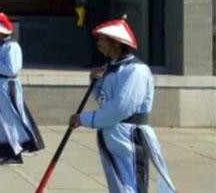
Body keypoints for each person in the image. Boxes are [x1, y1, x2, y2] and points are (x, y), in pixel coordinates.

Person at [70, 17, 175, 192]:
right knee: (118, 185)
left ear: (116, 43)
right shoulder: (110, 68)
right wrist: (95, 81)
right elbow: (104, 99)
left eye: (102, 39)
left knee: (131, 183)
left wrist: (84, 119)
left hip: (129, 136)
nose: (98, 43)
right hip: (112, 133)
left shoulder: (136, 70)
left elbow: (121, 107)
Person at [0, 12, 44, 165]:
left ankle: (16, 152)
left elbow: (11, 70)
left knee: (11, 118)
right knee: (2, 118)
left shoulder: (12, 47)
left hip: (7, 86)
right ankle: (4, 148)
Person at [82, 0, 111, 67]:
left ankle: (97, 62)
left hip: (96, 22)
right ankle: (98, 62)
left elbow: (96, 8)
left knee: (96, 43)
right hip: (100, 21)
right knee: (97, 43)